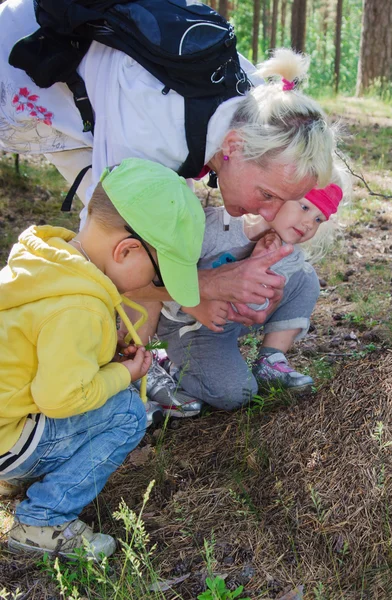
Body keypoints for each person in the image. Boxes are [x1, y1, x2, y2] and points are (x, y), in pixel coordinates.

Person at [0, 0, 338, 338]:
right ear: (233, 146)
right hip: (16, 68)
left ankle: (133, 354)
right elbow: (106, 252)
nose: (271, 213)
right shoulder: (155, 134)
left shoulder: (261, 109)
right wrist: (209, 285)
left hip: (89, 96)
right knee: (129, 238)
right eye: (268, 195)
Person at [0, 157, 205, 559]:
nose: (153, 286)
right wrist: (122, 373)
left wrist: (101, 353)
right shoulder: (80, 306)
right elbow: (61, 398)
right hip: (9, 439)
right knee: (127, 411)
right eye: (158, 276)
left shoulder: (44, 263)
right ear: (127, 250)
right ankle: (43, 519)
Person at [157, 183, 343, 412]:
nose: (308, 224)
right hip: (188, 324)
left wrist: (261, 263)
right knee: (238, 394)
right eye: (304, 207)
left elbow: (252, 310)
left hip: (231, 321)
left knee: (305, 278)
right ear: (278, 195)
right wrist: (193, 303)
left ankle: (270, 361)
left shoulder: (288, 252)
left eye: (318, 220)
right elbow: (161, 275)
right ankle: (174, 367)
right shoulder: (213, 228)